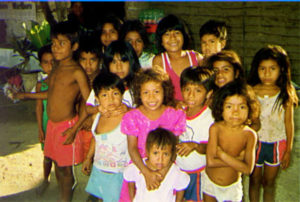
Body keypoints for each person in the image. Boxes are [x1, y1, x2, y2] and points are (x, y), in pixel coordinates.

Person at [120, 68, 186, 201]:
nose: (151, 97)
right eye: (146, 92)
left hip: (164, 169)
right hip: (139, 169)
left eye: (156, 92)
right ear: (139, 93)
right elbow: (132, 148)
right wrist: (146, 172)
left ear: (164, 91)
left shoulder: (173, 115)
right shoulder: (132, 117)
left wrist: (161, 173)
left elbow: (173, 147)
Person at [44, 21, 90, 202]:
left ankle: (65, 199)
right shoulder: (56, 66)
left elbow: (90, 103)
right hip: (52, 125)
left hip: (67, 126)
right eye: (54, 43)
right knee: (56, 162)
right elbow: (51, 93)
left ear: (75, 46)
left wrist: (75, 128)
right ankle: (63, 195)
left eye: (62, 43)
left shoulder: (77, 72)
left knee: (65, 168)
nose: (55, 48)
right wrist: (24, 94)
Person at [247, 45, 298, 202]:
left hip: (277, 144)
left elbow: (289, 124)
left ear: (281, 69)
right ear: (256, 69)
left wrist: (288, 150)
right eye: (262, 68)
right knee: (254, 180)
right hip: (256, 144)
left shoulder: (286, 93)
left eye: (272, 68)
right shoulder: (251, 92)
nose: (267, 73)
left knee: (269, 182)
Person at [204, 80, 259, 202]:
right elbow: (211, 162)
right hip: (210, 184)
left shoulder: (250, 135)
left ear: (250, 109)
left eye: (242, 107)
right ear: (221, 108)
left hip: (232, 188)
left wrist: (221, 154)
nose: (235, 112)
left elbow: (248, 170)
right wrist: (238, 160)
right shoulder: (215, 128)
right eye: (229, 106)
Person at [81, 72, 130, 201]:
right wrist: (88, 158)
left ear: (122, 95)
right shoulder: (96, 117)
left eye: (115, 93)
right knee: (101, 198)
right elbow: (96, 139)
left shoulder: (127, 118)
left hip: (119, 174)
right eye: (104, 95)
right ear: (96, 99)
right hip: (99, 169)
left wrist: (129, 109)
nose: (111, 99)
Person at [176, 67, 215, 201]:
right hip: (179, 168)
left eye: (198, 91)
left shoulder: (208, 118)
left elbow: (210, 148)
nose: (191, 95)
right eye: (187, 89)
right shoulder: (180, 111)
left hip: (198, 172)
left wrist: (195, 146)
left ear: (208, 94)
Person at [124, 128, 190, 202]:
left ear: (171, 154)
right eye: (155, 153)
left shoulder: (174, 171)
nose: (160, 159)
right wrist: (133, 199)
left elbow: (181, 187)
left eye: (165, 154)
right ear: (148, 151)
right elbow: (130, 179)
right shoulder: (139, 167)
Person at [152, 14, 203, 101]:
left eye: (177, 33)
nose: (173, 38)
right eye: (167, 34)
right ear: (161, 40)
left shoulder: (197, 58)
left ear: (184, 36)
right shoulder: (159, 61)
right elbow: (158, 94)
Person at [86, 40, 140, 114]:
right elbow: (88, 108)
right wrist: (98, 109)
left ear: (131, 62)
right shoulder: (102, 84)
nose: (119, 67)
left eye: (123, 61)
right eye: (114, 62)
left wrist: (128, 109)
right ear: (107, 64)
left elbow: (144, 112)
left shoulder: (137, 86)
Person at [33, 45, 54, 195]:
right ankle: (45, 179)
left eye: (53, 61)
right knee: (47, 155)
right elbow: (39, 108)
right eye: (46, 62)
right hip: (47, 124)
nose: (50, 65)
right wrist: (40, 128)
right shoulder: (41, 85)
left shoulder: (64, 82)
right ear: (41, 65)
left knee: (61, 159)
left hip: (61, 125)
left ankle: (65, 182)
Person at [77, 35, 102, 159]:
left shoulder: (103, 80)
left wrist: (90, 117)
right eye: (83, 59)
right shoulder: (77, 78)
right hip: (81, 126)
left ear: (100, 61)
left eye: (92, 60)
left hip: (99, 126)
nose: (88, 64)